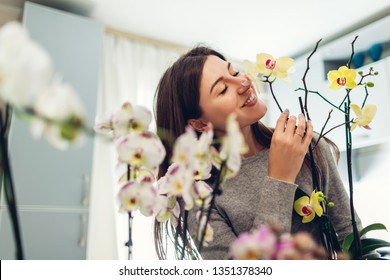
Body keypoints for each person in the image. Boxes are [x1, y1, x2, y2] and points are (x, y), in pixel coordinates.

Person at [153, 46, 360, 260]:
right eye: (223, 89)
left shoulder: (304, 144)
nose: (243, 83)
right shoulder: (197, 196)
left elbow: (353, 238)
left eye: (234, 72)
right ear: (200, 123)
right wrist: (280, 178)